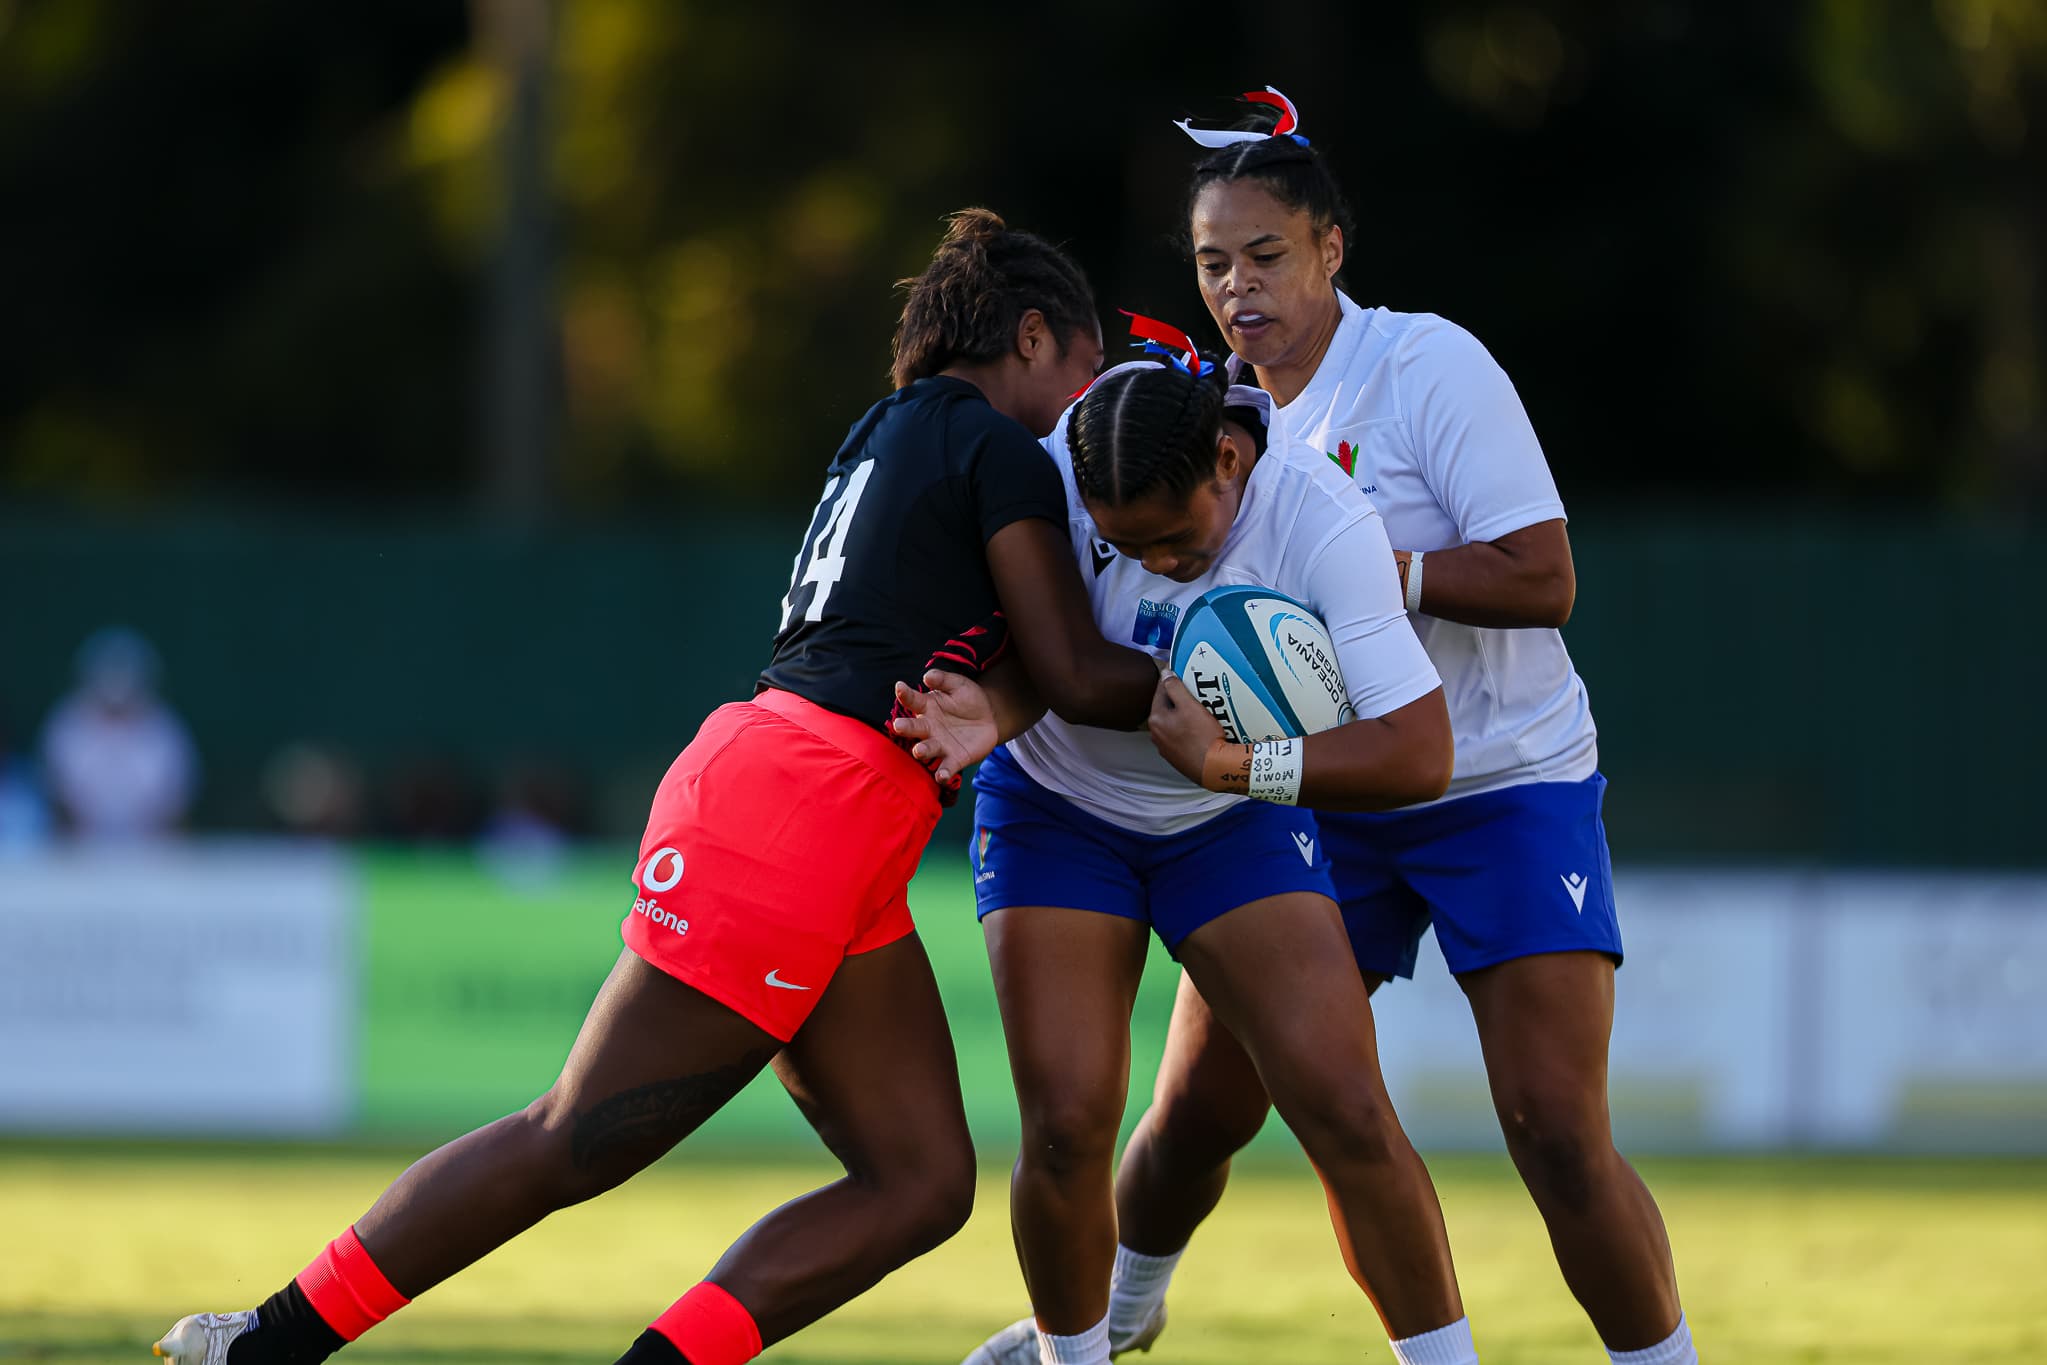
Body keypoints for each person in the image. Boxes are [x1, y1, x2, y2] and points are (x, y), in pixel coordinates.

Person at [152, 208, 1163, 1365]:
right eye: (1087, 368)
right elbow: (1082, 671)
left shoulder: (886, 430)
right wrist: (1220, 664)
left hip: (817, 803)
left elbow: (1014, 666)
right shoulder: (998, 451)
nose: (1089, 399)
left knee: (921, 1179)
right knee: (571, 1138)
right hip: (809, 809)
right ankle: (264, 1343)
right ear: (1032, 339)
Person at [1079, 90, 1695, 1365]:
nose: (1237, 290)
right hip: (1317, 798)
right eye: (1210, 265)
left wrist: (1368, 566)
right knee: (1198, 1106)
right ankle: (1111, 1322)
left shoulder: (1425, 365)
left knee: (1552, 1128)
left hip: (1500, 779)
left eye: (1264, 256)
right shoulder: (1200, 419)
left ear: (1329, 250)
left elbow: (1543, 577)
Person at [896, 319, 1485, 1365]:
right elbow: (1045, 649)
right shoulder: (1054, 475)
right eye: (1127, 548)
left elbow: (1419, 751)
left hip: (1231, 820)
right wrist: (989, 707)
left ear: (1228, 459)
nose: (1156, 566)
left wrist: (1236, 769)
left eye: (1174, 538)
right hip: (1057, 810)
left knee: (1344, 1106)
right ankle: (1069, 1356)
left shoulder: (1320, 515)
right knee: (1070, 1123)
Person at [40, 627, 197, 840]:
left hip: (151, 857)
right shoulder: (66, 727)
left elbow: (175, 810)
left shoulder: (166, 732)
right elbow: (59, 805)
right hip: (80, 858)